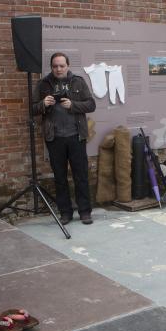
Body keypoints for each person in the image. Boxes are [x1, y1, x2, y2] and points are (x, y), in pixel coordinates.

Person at [32, 53, 96, 225]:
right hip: (55, 138)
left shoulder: (78, 81)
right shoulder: (44, 84)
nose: (58, 69)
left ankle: (84, 212)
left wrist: (73, 105)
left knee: (80, 175)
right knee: (60, 178)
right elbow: (32, 109)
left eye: (61, 65)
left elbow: (91, 104)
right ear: (51, 67)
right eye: (55, 66)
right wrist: (43, 104)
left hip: (76, 136)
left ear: (67, 65)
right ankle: (65, 213)